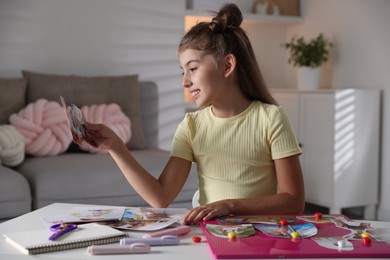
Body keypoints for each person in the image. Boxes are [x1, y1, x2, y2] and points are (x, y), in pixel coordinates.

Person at [86, 3, 305, 225]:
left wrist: (229, 206)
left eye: (192, 68)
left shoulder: (271, 118)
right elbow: (160, 197)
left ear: (227, 65)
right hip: (209, 234)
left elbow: (294, 201)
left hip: (257, 234)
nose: (185, 81)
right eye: (183, 71)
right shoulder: (191, 125)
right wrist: (116, 147)